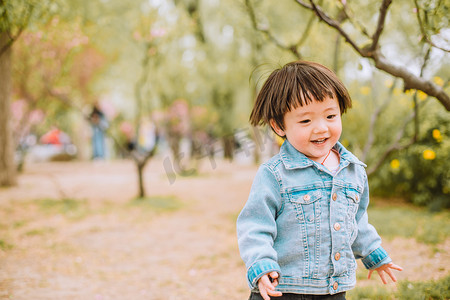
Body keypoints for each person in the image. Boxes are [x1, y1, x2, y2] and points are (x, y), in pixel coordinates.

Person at [236, 61, 402, 300]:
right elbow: (254, 226)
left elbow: (356, 220)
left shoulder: (353, 170)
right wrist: (261, 265)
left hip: (333, 290)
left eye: (330, 116)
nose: (321, 128)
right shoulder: (274, 174)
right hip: (284, 288)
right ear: (279, 125)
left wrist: (373, 253)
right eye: (306, 121)